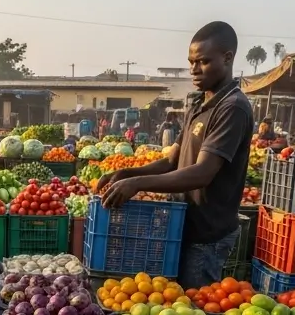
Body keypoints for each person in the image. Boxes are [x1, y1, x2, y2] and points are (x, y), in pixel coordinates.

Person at [96, 21, 253, 288]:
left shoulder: (232, 108)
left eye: (203, 61)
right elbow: (172, 161)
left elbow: (203, 173)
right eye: (191, 62)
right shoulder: (199, 105)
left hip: (207, 234)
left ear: (227, 59)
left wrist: (137, 184)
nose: (194, 69)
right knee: (171, 299)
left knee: (192, 308)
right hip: (181, 225)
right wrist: (127, 173)